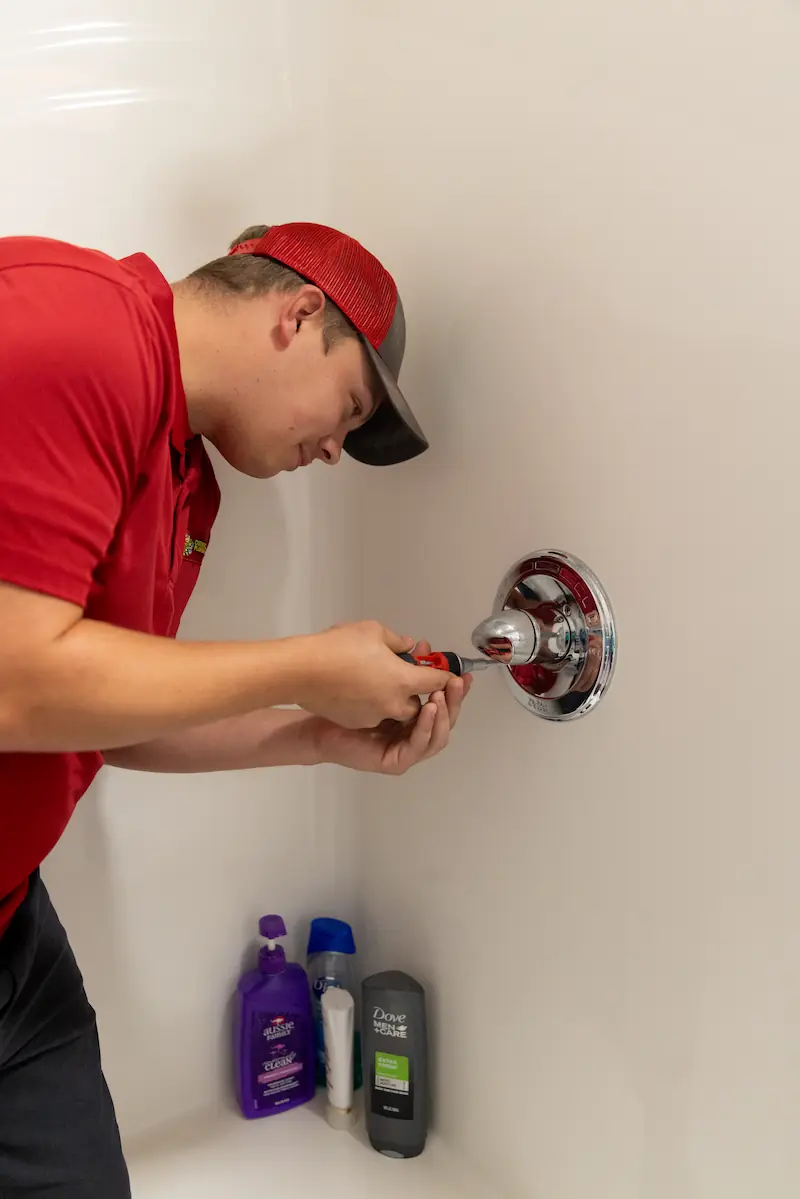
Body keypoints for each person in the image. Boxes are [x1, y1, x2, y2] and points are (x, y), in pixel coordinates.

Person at [0, 221, 471, 1196]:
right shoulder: (73, 330)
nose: (335, 449)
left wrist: (317, 733)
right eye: (348, 406)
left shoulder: (186, 486)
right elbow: (14, 685)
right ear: (298, 313)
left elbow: (105, 712)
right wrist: (301, 662)